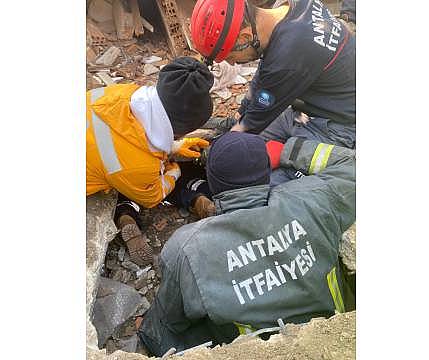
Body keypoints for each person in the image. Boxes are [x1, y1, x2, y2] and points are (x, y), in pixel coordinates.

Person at [138, 131, 356, 355]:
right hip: (331, 332)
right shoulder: (315, 198)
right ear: (266, 171)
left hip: (255, 348)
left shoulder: (187, 248)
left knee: (172, 326)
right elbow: (354, 163)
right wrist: (287, 150)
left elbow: (166, 323)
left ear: (211, 183)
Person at [86, 57, 216, 266]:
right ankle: (196, 195)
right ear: (179, 129)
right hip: (98, 181)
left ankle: (126, 215)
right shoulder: (138, 166)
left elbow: (124, 137)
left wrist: (174, 146)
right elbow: (153, 196)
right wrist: (174, 172)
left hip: (97, 157)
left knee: (124, 178)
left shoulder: (127, 93)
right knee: (131, 187)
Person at [190, 0, 356, 150]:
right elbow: (265, 72)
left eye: (230, 57)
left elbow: (256, 116)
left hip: (339, 124)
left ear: (245, 37)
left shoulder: (288, 57)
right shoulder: (289, 8)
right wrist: (242, 110)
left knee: (260, 172)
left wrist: (224, 145)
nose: (232, 64)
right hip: (312, 105)